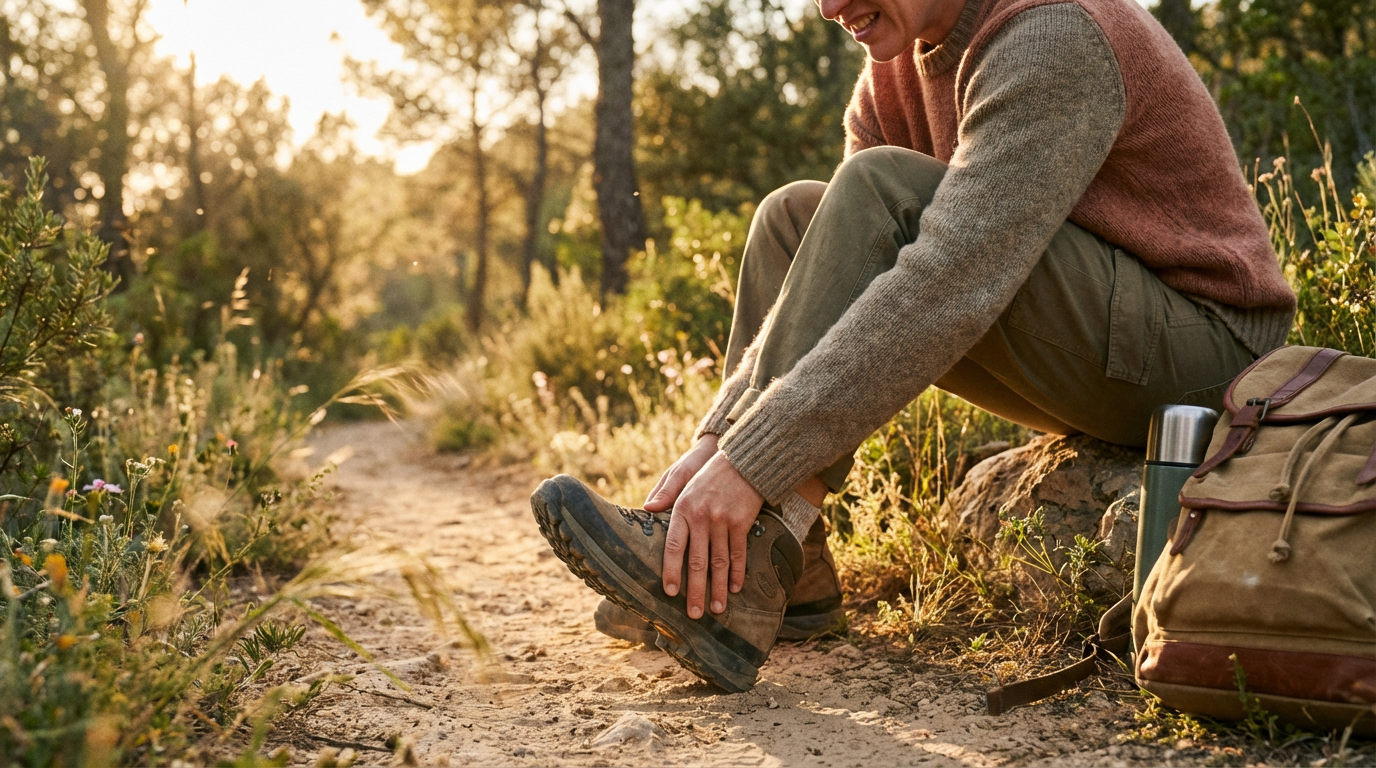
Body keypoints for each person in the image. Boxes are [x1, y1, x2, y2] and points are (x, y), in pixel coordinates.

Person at [531, 0, 1296, 692]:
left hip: (1200, 358)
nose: (829, 9)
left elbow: (945, 282)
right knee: (794, 218)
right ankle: (774, 572)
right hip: (1084, 344)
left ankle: (744, 561)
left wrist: (746, 464)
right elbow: (833, 277)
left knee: (875, 188)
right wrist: (714, 444)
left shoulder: (1056, 32)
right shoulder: (893, 65)